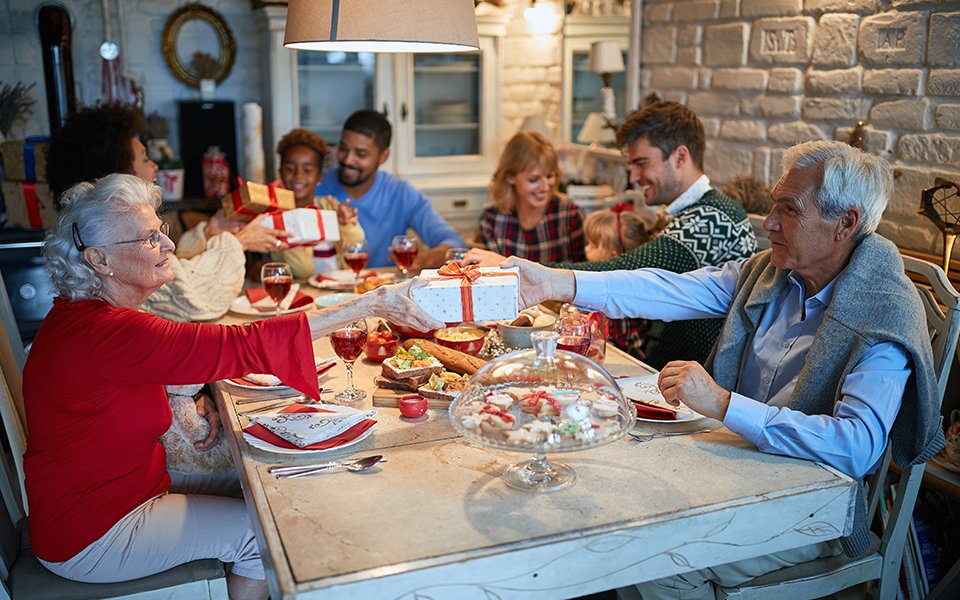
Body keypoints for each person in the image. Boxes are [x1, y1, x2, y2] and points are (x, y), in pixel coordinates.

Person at [500, 140, 945, 600]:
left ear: (845, 224)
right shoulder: (771, 273)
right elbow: (670, 290)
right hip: (733, 471)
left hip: (814, 508)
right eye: (773, 206)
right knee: (609, 505)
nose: (769, 224)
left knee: (653, 558)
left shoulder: (883, 311)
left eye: (787, 210)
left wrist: (722, 404)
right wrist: (556, 281)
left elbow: (856, 447)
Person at [23, 174, 444, 599]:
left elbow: (148, 374)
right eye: (150, 239)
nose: (168, 246)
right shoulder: (108, 332)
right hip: (95, 532)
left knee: (273, 485)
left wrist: (196, 395)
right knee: (264, 536)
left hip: (121, 491)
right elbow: (238, 345)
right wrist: (369, 304)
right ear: (99, 260)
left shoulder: (88, 320)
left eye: (161, 230)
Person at [466, 101, 758, 369]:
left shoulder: (712, 218)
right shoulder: (689, 213)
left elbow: (627, 270)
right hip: (668, 370)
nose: (632, 177)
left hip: (700, 384)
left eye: (641, 163)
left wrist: (525, 269)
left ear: (680, 157)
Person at [46, 102, 289, 322]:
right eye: (144, 158)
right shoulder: (123, 255)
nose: (155, 166)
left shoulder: (98, 238)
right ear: (117, 178)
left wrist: (209, 233)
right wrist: (237, 242)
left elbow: (176, 268)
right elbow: (190, 297)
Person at [317, 109, 466, 269]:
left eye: (360, 154)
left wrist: (423, 259)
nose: (347, 160)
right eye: (343, 149)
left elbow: (455, 244)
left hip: (385, 288)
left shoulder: (401, 193)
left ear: (383, 156)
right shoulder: (317, 185)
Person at [475, 130, 586, 263]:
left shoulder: (570, 215)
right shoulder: (491, 220)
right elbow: (494, 276)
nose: (545, 187)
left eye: (549, 176)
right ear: (511, 177)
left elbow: (584, 275)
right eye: (534, 179)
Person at [272, 128, 365, 278]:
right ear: (280, 172)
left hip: (338, 291)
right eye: (290, 169)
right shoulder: (275, 215)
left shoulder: (329, 207)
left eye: (307, 170)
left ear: (319, 176)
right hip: (303, 294)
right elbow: (301, 271)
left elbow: (357, 245)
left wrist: (345, 225)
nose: (298, 176)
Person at [582, 204, 669, 358]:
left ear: (613, 257)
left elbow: (618, 345)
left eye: (593, 245)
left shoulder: (618, 298)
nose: (586, 249)